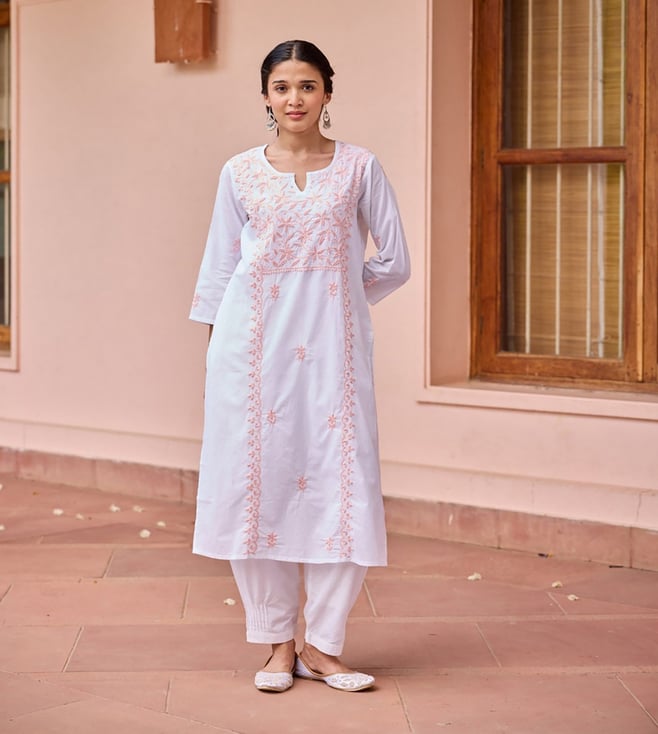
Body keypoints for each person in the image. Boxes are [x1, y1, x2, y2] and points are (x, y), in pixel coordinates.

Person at [189, 39, 410, 693]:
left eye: (307, 86)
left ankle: (323, 645)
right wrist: (218, 356)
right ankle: (277, 645)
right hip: (250, 354)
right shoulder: (239, 172)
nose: (295, 98)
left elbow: (394, 261)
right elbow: (220, 269)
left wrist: (336, 298)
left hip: (334, 355)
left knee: (345, 483)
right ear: (265, 96)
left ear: (327, 93)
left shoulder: (360, 168)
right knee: (257, 483)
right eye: (282, 87)